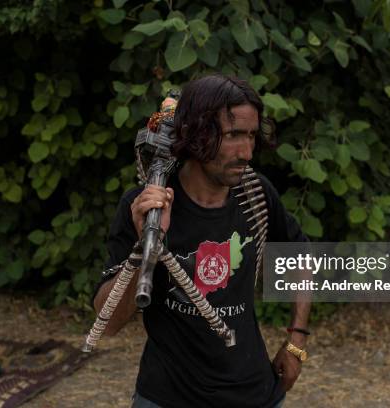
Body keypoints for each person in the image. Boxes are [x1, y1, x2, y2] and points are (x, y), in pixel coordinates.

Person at [92, 74, 310, 408]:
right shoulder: (145, 207)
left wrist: (296, 341)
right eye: (234, 135)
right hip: (166, 398)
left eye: (251, 136)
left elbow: (301, 257)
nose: (247, 152)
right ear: (195, 134)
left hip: (254, 394)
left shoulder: (256, 195)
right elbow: (107, 324)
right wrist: (145, 246)